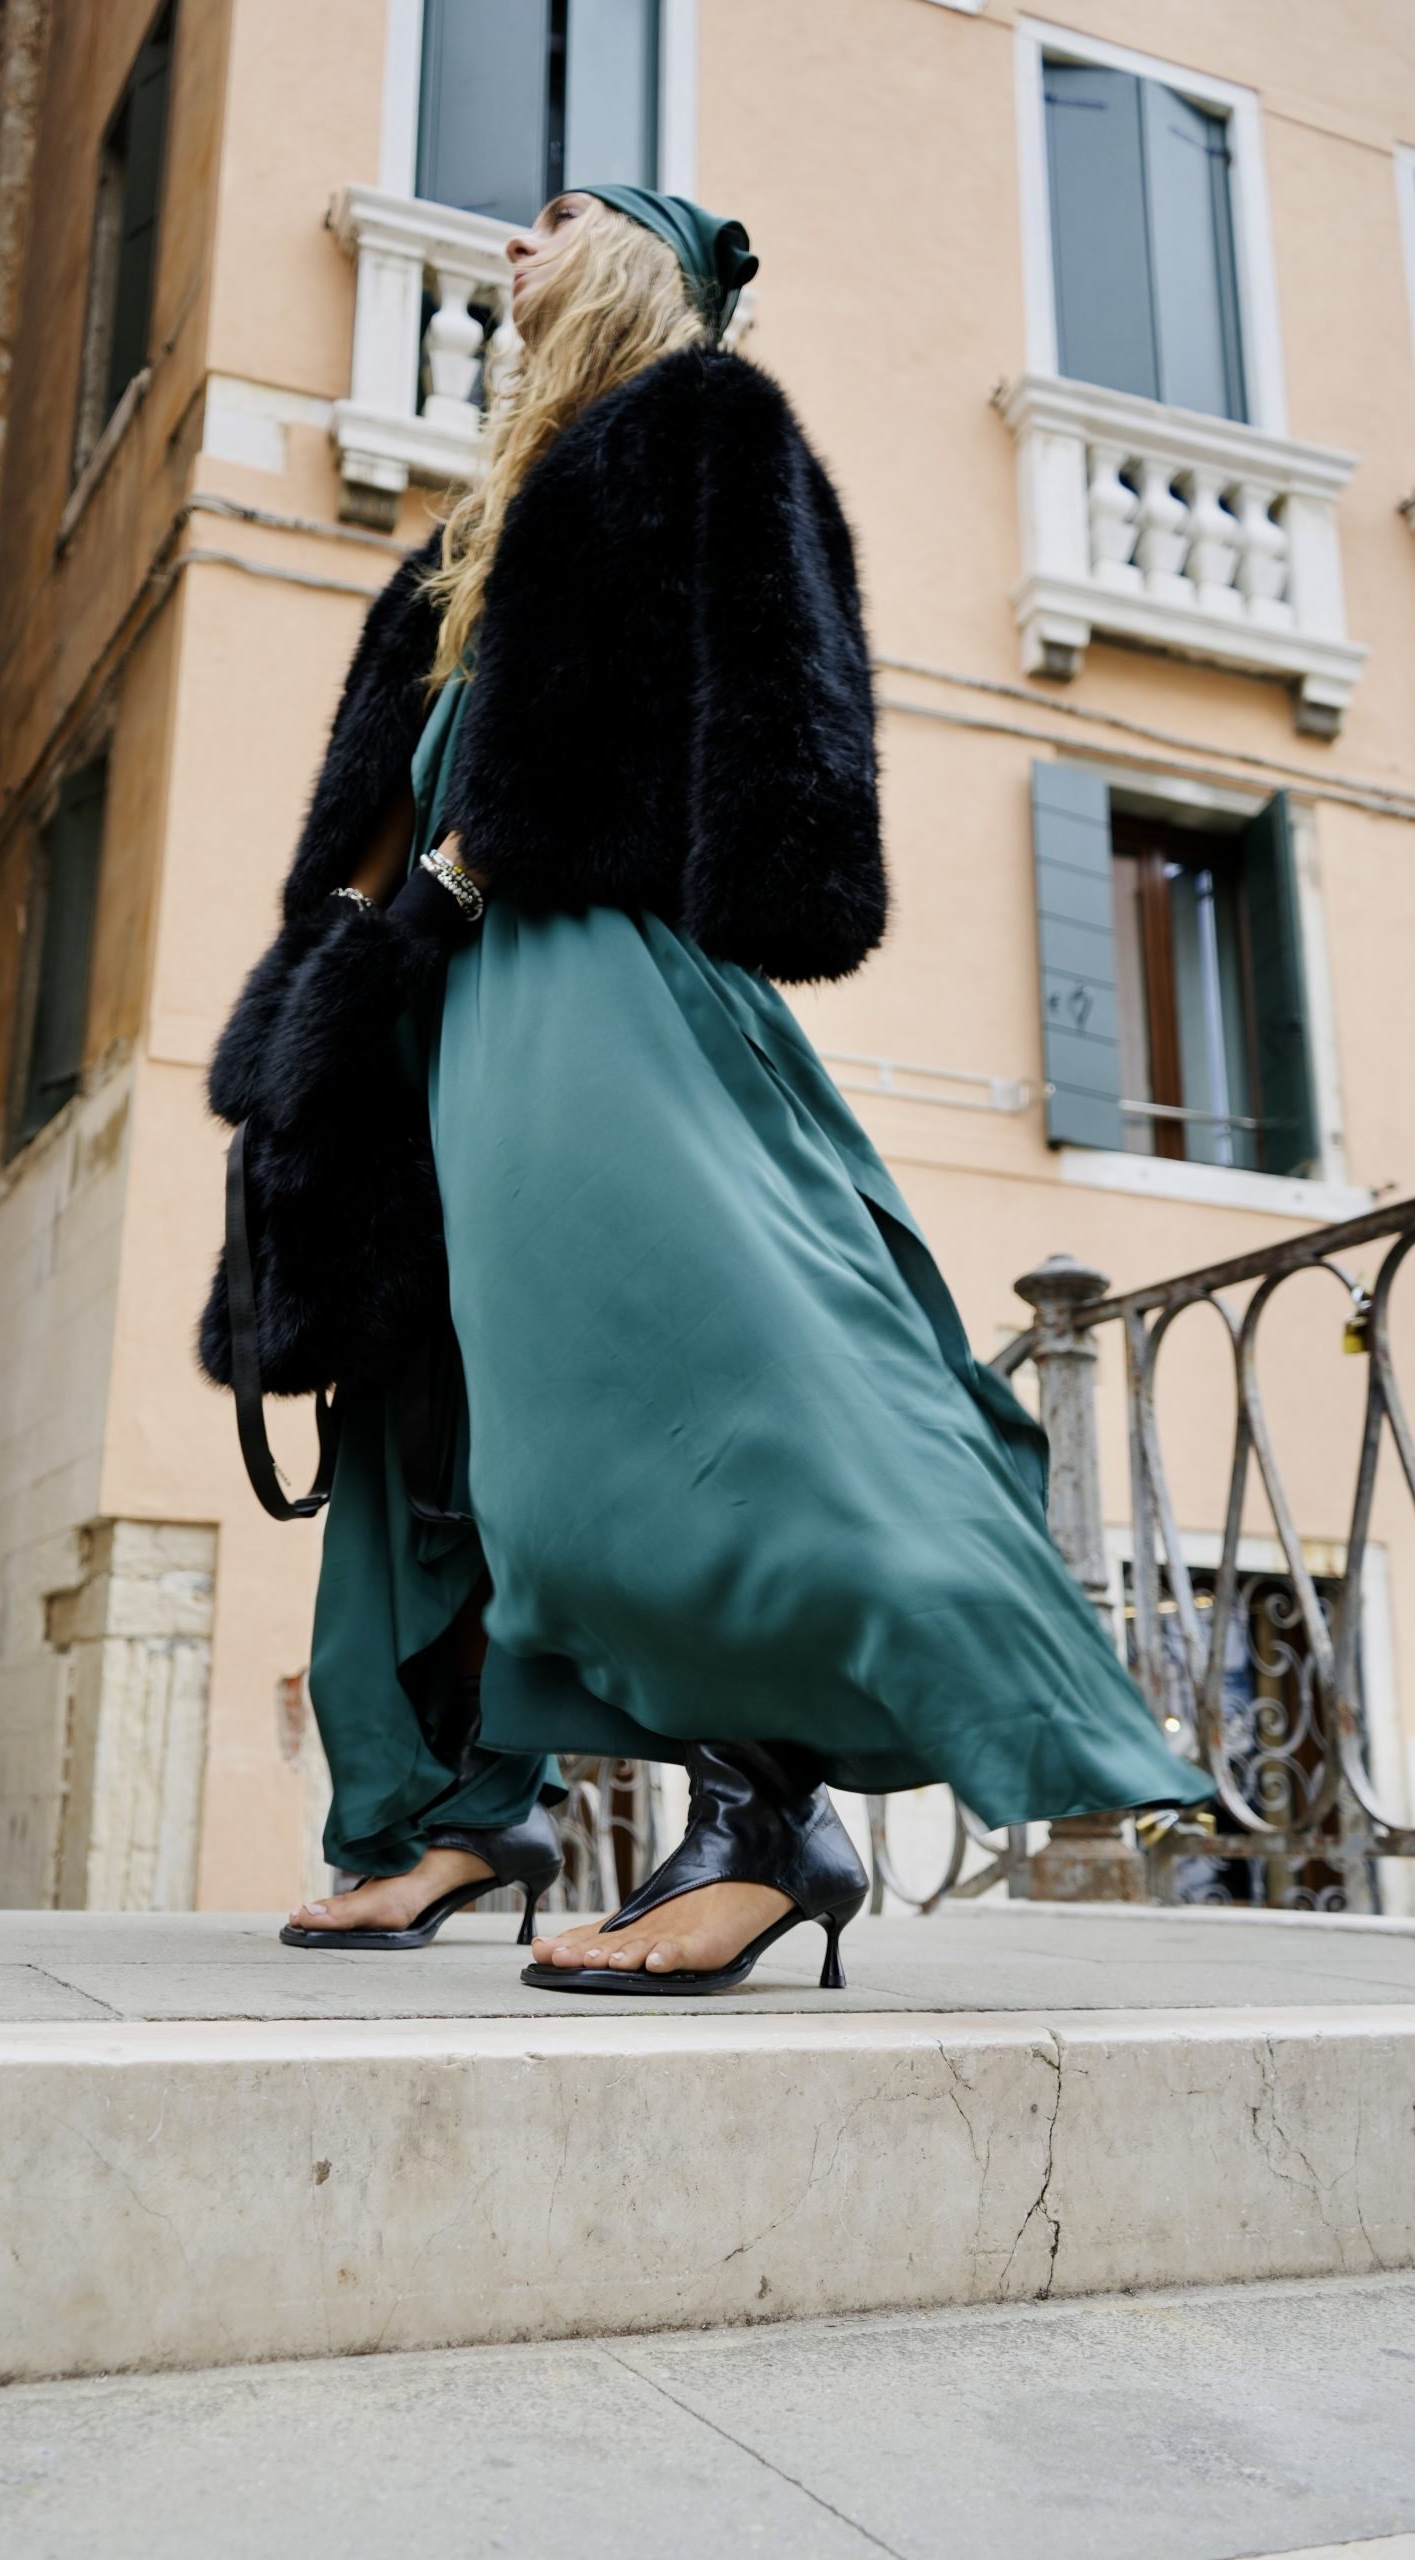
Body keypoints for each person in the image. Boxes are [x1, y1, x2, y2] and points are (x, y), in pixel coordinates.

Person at [201, 187, 1213, 1997]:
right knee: (422, 1422)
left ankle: (766, 1823)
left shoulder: (692, 423)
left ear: (640, 260)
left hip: (584, 969)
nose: (513, 244)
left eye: (558, 216)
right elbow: (377, 812)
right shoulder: (467, 535)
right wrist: (326, 1016)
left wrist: (537, 870)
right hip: (423, 1013)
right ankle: (450, 1814)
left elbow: (781, 697)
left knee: (666, 1382)